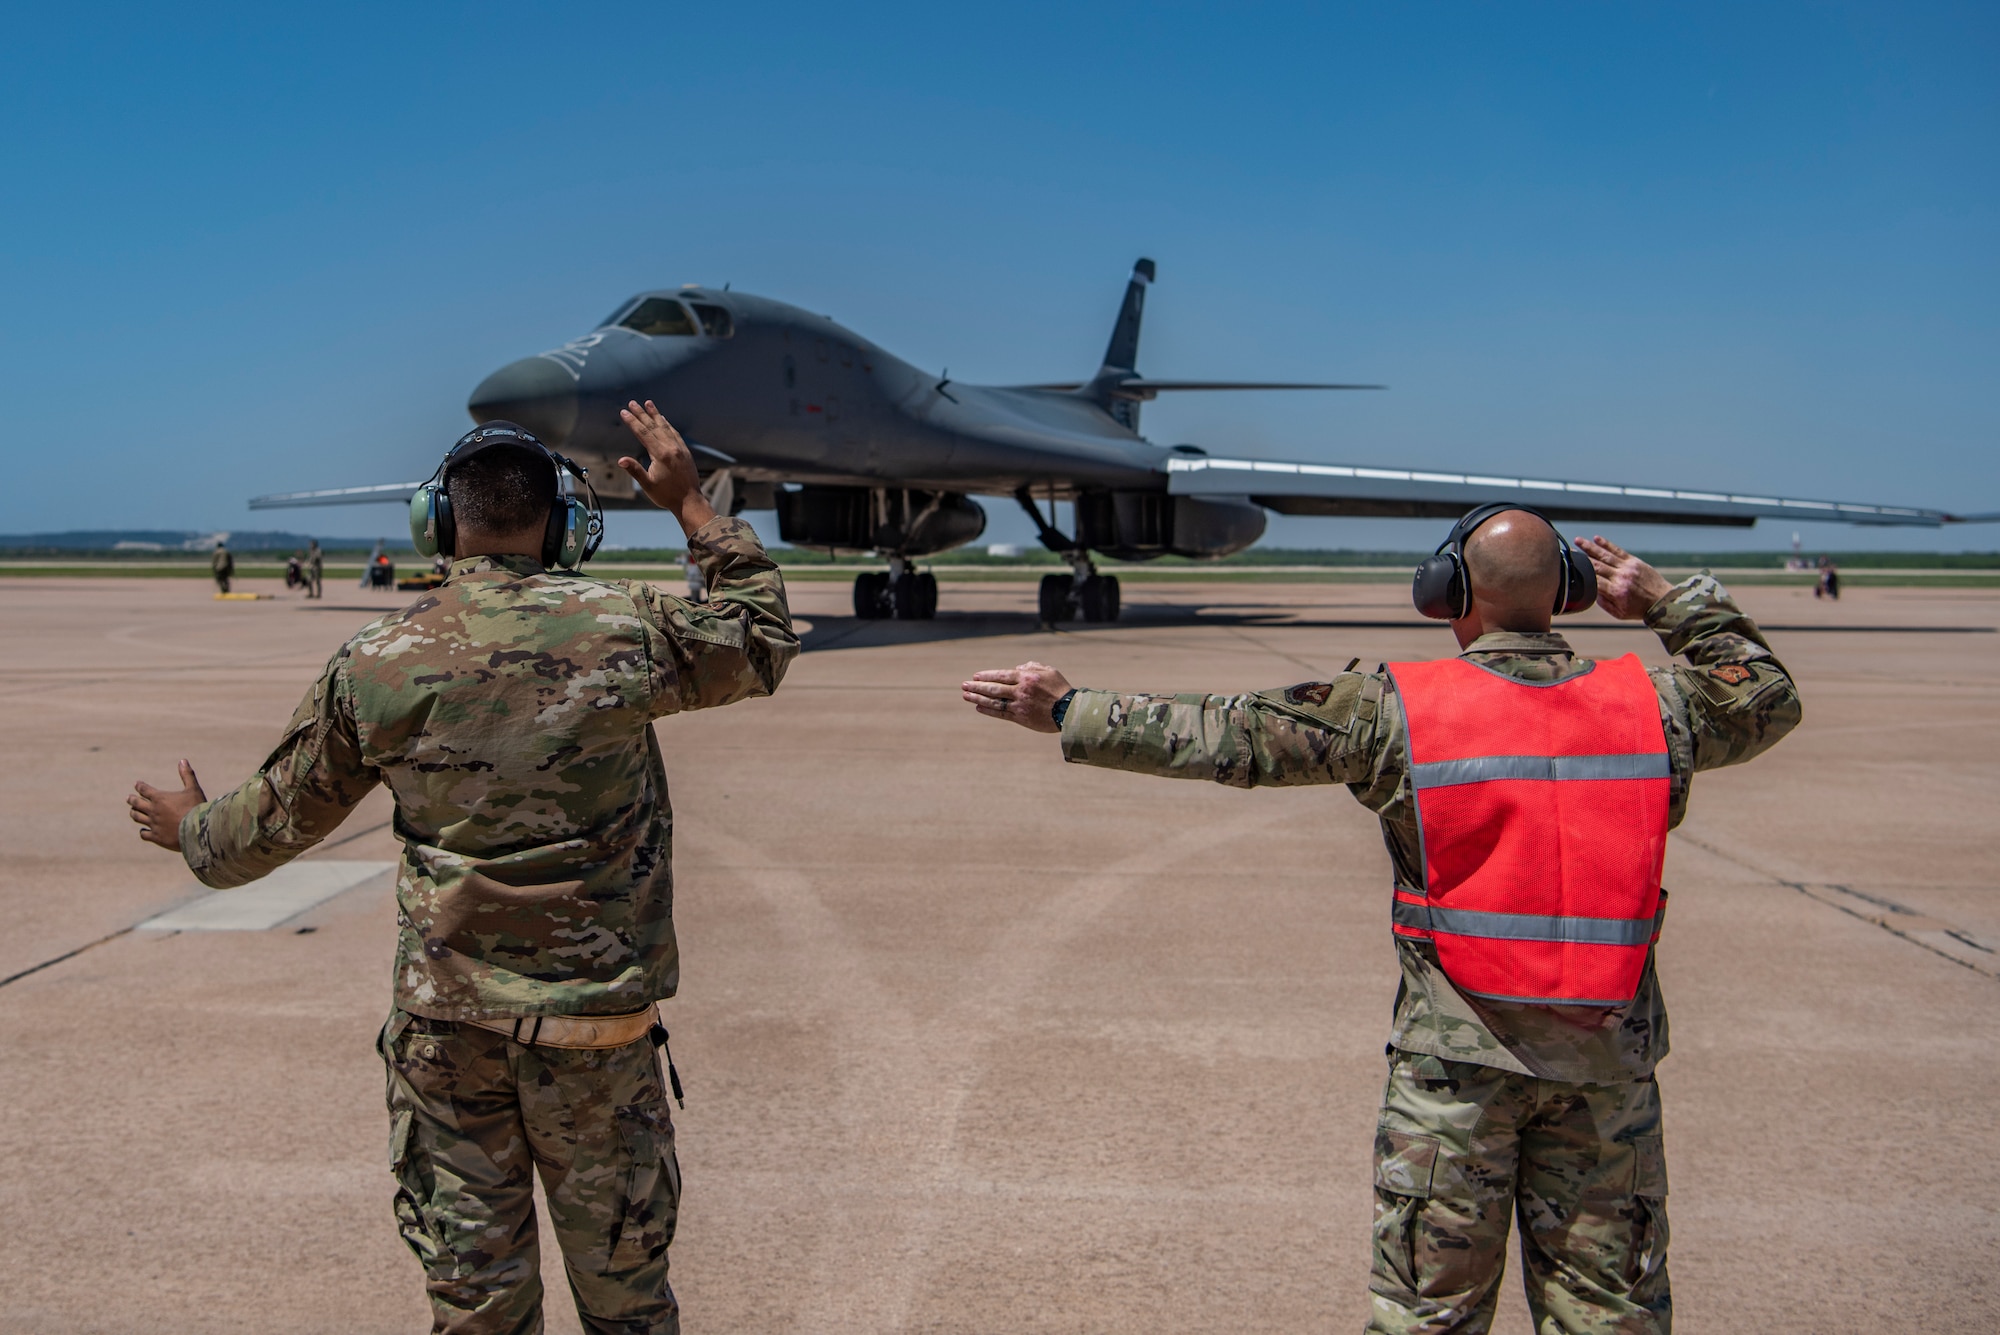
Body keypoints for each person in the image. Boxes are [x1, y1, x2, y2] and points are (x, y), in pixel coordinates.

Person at [962, 508, 1801, 1334]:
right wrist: (1663, 598)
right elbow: (1766, 692)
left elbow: (1229, 734)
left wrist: (1071, 709)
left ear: (1450, 591)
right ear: (1570, 592)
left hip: (1453, 1082)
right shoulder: (1654, 706)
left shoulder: (1396, 709)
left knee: (1427, 1317)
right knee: (1610, 1315)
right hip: (1607, 1075)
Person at [128, 401, 797, 1335]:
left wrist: (192, 825)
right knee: (630, 1310)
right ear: (563, 527)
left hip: (449, 1037)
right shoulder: (626, 627)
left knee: (478, 1311)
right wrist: (690, 506)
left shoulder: (378, 661)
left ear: (438, 524)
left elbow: (257, 834)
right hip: (595, 1034)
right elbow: (761, 638)